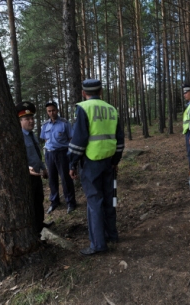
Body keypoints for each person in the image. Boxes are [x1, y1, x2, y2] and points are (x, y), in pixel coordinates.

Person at [68, 79, 125, 256]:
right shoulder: (112, 109)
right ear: (100, 92)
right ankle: (112, 235)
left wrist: (72, 162)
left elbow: (79, 140)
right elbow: (120, 140)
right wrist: (115, 161)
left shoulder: (84, 108)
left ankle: (98, 244)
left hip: (91, 162)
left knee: (94, 203)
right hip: (109, 161)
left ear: (84, 93)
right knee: (109, 199)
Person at [15, 101, 49, 233]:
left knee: (39, 200)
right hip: (27, 177)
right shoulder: (19, 137)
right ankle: (34, 230)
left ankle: (40, 225)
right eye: (27, 119)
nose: (31, 121)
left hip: (37, 174)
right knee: (31, 203)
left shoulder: (31, 135)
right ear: (20, 121)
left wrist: (44, 168)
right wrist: (27, 168)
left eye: (32, 118)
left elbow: (36, 153)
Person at [40, 101, 77, 214]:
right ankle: (54, 201)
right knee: (52, 179)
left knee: (66, 179)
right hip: (49, 154)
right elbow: (45, 139)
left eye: (53, 110)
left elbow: (71, 139)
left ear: (57, 110)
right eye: (49, 111)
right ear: (47, 112)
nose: (51, 113)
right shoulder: (45, 125)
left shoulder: (65, 123)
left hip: (62, 153)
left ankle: (70, 202)